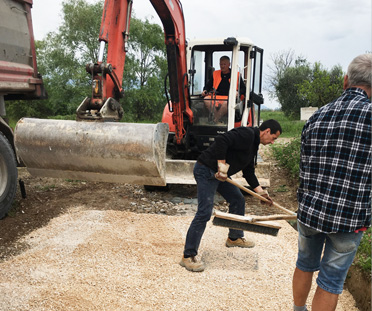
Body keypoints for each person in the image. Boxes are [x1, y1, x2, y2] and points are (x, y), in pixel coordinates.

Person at [292, 54, 372, 311]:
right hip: (349, 218)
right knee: (331, 281)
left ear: (346, 80)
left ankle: (298, 309)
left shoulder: (317, 116)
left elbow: (305, 167)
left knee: (304, 264)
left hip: (310, 212)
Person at [180, 119, 282, 272]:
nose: (273, 142)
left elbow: (248, 172)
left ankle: (234, 237)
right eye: (273, 138)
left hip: (221, 175)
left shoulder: (253, 145)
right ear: (266, 131)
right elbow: (222, 140)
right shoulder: (246, 134)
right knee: (204, 213)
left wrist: (260, 192)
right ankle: (188, 256)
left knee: (237, 199)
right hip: (207, 171)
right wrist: (222, 166)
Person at [201, 56, 246, 122]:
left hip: (229, 98)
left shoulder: (236, 74)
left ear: (229, 64)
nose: (222, 66)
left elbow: (243, 88)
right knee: (206, 99)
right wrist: (205, 90)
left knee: (226, 103)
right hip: (216, 97)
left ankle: (215, 120)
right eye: (221, 64)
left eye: (224, 64)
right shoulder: (215, 74)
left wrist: (238, 93)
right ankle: (217, 118)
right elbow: (208, 86)